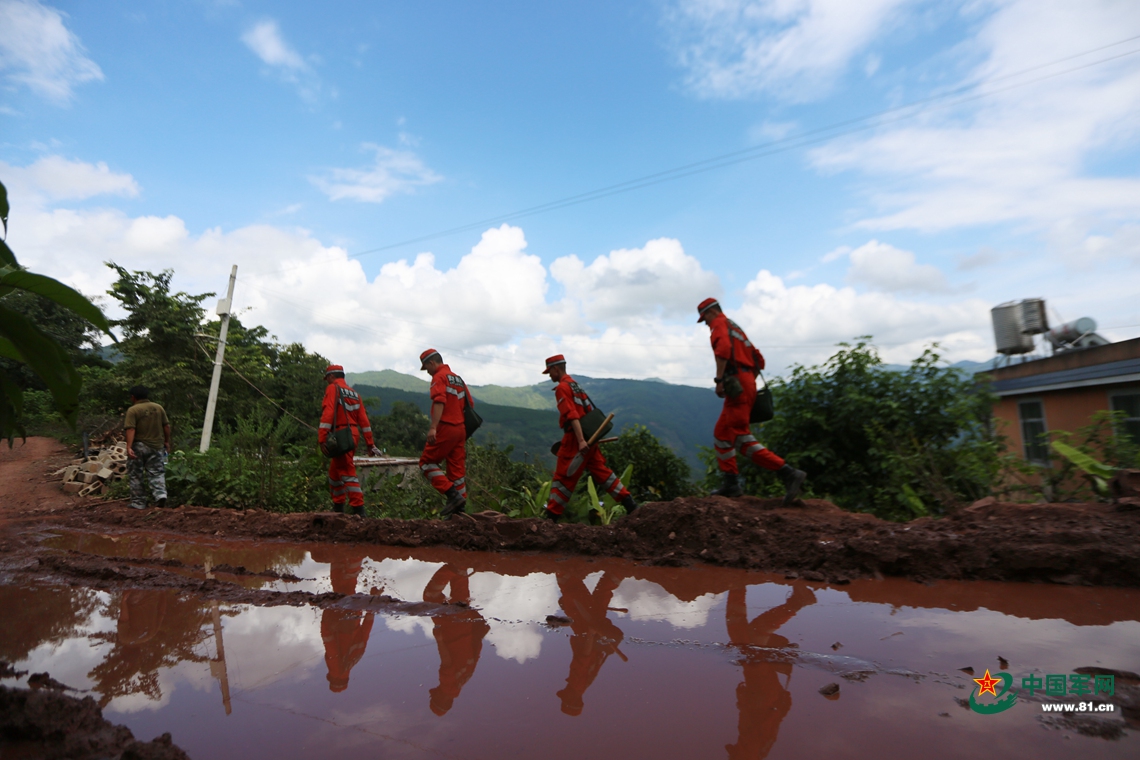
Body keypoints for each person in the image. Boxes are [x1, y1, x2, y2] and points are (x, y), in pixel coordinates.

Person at [696, 298, 806, 504]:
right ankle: (731, 483)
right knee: (721, 433)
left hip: (736, 381)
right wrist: (747, 381)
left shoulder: (719, 324)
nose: (707, 324)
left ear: (711, 313)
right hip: (745, 381)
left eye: (705, 320)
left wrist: (720, 380)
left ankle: (787, 472)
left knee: (738, 435)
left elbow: (723, 352)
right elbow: (759, 359)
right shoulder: (735, 327)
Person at [541, 355, 637, 522]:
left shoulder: (563, 388)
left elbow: (572, 416)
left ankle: (550, 519)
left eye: (550, 371)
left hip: (576, 439)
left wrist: (580, 441)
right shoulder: (575, 385)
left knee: (563, 478)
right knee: (602, 472)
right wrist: (587, 439)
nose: (549, 375)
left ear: (556, 369)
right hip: (590, 437)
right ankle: (631, 506)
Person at [319, 364, 382, 516]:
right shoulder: (354, 394)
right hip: (353, 435)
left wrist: (322, 436)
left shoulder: (333, 388)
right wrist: (370, 443)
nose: (327, 381)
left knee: (347, 471)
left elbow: (328, 412)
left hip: (340, 435)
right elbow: (364, 421)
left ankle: (359, 510)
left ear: (332, 376)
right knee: (334, 473)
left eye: (327, 378)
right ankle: (338, 507)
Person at [418, 349, 471, 519]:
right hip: (460, 429)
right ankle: (460, 512)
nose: (427, 372)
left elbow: (439, 400)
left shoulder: (439, 377)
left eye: (426, 368)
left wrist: (433, 427)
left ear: (432, 363)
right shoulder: (458, 379)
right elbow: (469, 404)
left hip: (446, 428)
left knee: (426, 464)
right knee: (457, 472)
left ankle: (452, 495)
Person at [123, 385, 171, 510]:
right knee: (156, 472)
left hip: (139, 446)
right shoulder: (158, 408)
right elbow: (166, 426)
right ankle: (160, 495)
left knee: (136, 474)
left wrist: (129, 447)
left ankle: (138, 502)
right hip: (157, 446)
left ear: (133, 397)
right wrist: (167, 442)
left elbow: (131, 428)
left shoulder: (133, 410)